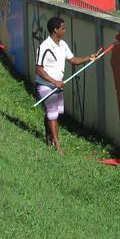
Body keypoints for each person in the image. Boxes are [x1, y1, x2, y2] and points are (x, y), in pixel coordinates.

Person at [35, 17, 96, 155]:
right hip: (46, 85)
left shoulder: (63, 44)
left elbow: (73, 60)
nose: (65, 30)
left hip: (58, 85)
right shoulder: (45, 46)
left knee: (55, 113)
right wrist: (54, 82)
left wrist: (88, 58)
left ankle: (48, 137)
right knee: (53, 114)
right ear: (56, 30)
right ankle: (57, 146)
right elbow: (38, 69)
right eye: (63, 28)